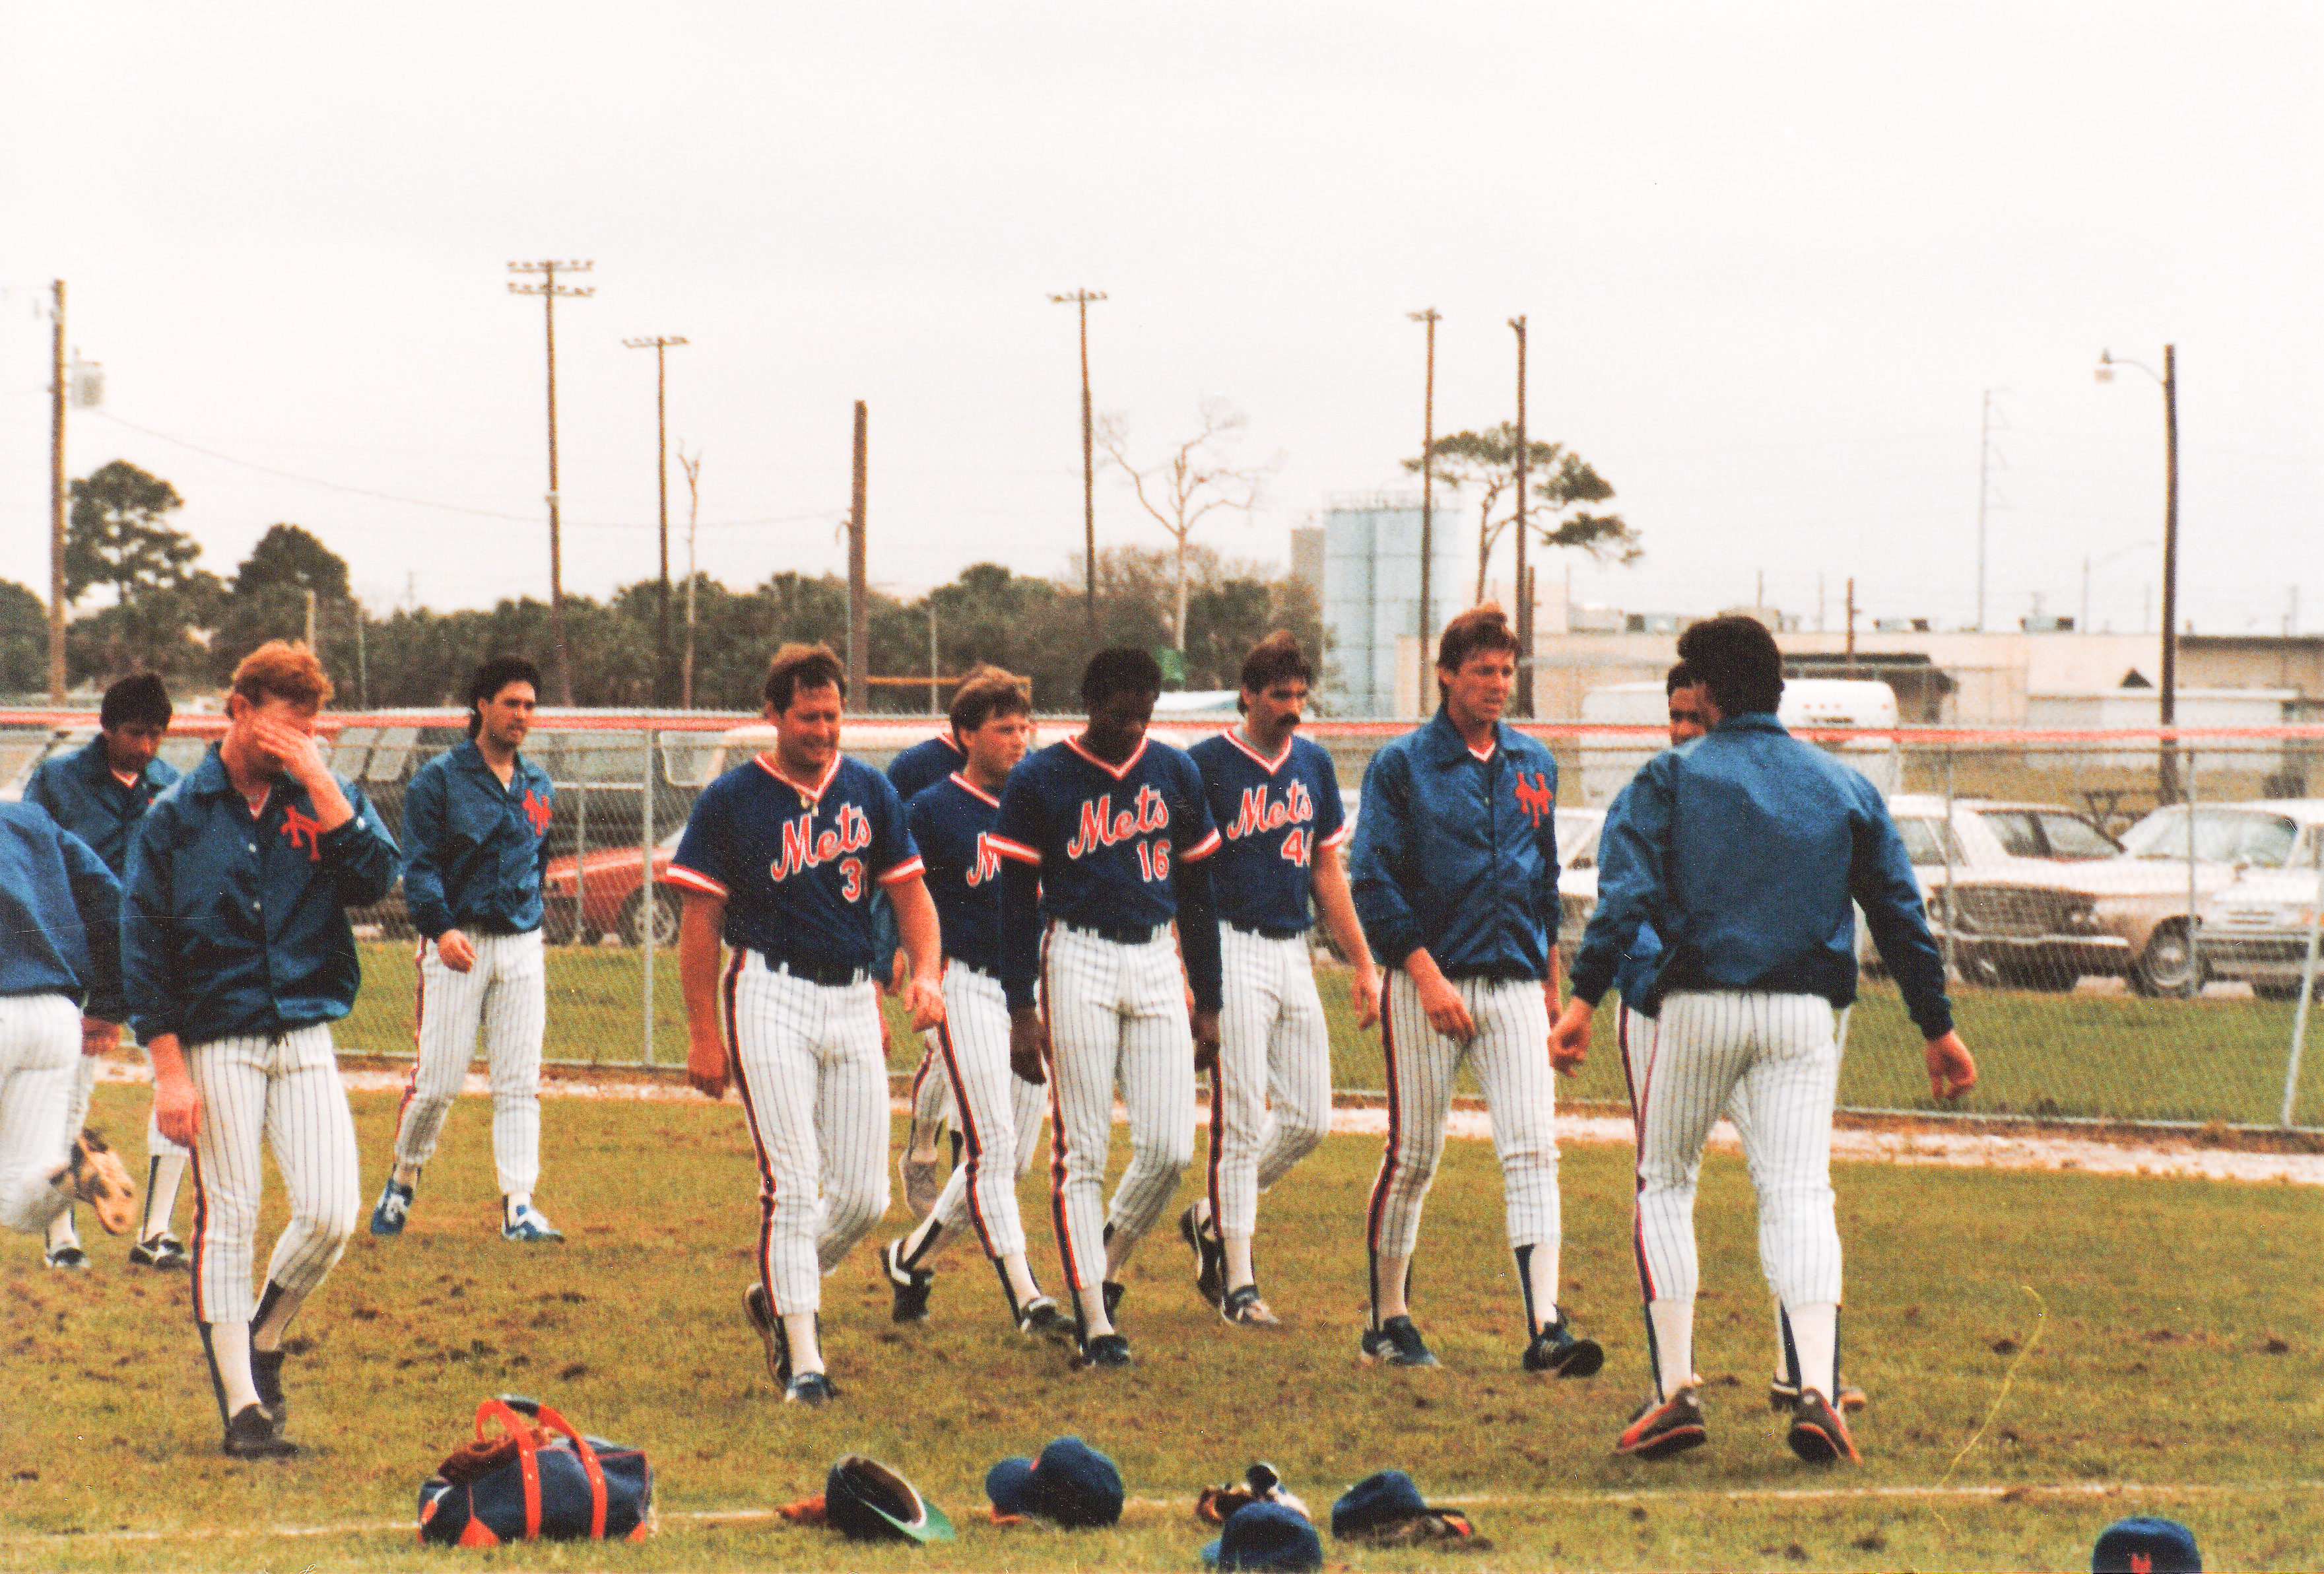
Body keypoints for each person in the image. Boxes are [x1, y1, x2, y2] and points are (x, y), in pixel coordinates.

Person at [1555, 615, 1976, 1466]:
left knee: (1664, 1180)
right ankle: (1817, 1387)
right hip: (1801, 1016)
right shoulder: (1843, 784)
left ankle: (1674, 1389)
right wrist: (1936, 1025)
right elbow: (1898, 911)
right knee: (1798, 1192)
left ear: (1703, 688)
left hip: (1699, 1005)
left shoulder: (1668, 775)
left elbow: (1624, 899)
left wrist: (1581, 999)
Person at [126, 640, 401, 1458]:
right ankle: (243, 1407)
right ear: (236, 708)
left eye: (306, 729)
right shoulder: (174, 816)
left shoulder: (319, 791)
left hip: (305, 1026)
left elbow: (377, 877)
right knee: (231, 1215)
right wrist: (169, 1071)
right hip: (217, 1034)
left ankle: (264, 1331)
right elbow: (146, 948)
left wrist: (319, 778)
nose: (292, 742)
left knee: (328, 1212)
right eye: (282, 726)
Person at [671, 642, 945, 1407]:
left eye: (833, 714)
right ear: (773, 714)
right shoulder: (731, 798)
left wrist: (924, 971)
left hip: (853, 995)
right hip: (770, 989)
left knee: (860, 1197)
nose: (824, 729)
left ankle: (777, 1289)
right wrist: (702, 1032)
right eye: (808, 716)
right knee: (792, 1187)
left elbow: (911, 895)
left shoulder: (868, 790)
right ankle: (804, 1357)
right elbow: (699, 921)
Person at [1347, 604, 1601, 1376]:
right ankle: (1388, 1316)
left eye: (1505, 670)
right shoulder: (1402, 765)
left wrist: (1554, 985)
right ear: (1446, 675)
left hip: (1517, 982)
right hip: (1431, 978)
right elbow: (1372, 877)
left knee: (1532, 1150)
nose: (1496, 683)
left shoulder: (1533, 762)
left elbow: (1543, 876)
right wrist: (1420, 974)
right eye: (1482, 669)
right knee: (1414, 1153)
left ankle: (1545, 1326)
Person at [1618, 664, 1867, 1414]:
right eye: (1675, 714)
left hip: (1714, 1002)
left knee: (1774, 1181)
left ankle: (1796, 1370)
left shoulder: (1725, 785)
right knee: (1765, 1185)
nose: (1686, 728)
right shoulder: (1663, 780)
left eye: (1698, 712)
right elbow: (1626, 906)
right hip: (1668, 1002)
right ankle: (1687, 1375)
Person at [992, 647, 1223, 1369]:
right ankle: (1095, 1321)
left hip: (1155, 955)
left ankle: (1100, 1260)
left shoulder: (1175, 769)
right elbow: (1010, 902)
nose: (1134, 726)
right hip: (1078, 953)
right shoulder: (1039, 778)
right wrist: (1019, 1006)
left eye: (1145, 712)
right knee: (1082, 1148)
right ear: (1090, 704)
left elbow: (1196, 893)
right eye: (1121, 712)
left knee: (1168, 1147)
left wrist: (1209, 1000)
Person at [1179, 633, 1380, 1326]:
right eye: (1279, 695)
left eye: (1300, 694)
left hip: (1291, 945)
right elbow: (1187, 877)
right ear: (1247, 693)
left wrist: (1360, 960)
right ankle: (1238, 1279)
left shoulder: (1314, 764)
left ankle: (1208, 1214)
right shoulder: (1205, 764)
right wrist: (1188, 966)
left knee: (1308, 1116)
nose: (1292, 707)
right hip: (1229, 945)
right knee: (1238, 1122)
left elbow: (1327, 869)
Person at [874, 669, 1073, 1341]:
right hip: (962, 982)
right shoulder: (933, 807)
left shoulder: (1039, 802)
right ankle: (1027, 1295)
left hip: (1026, 986)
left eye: (1025, 726)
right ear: (965, 734)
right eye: (1003, 727)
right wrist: (895, 967)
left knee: (1008, 1158)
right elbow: (895, 891)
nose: (1019, 739)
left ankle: (909, 1258)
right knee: (989, 1146)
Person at [371, 656, 561, 1244]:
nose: (522, 716)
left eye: (530, 705)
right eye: (511, 703)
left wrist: (533, 918)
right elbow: (419, 867)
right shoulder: (439, 781)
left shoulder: (538, 784)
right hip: (459, 943)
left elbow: (539, 858)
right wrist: (442, 926)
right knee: (439, 1081)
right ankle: (404, 1175)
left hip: (521, 943)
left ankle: (519, 1205)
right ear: (482, 705)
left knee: (518, 1081)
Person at [24, 671, 189, 1270]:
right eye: (133, 733)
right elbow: (35, 870)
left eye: (155, 735)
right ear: (106, 727)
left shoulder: (175, 788)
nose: (145, 747)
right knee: (66, 1094)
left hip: (155, 959)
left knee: (180, 1087)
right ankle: (60, 1235)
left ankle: (158, 1230)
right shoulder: (57, 782)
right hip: (77, 960)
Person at [0, 798, 137, 1249]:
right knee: (20, 1201)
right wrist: (109, 1003)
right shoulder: (29, 818)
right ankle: (73, 1176)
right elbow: (109, 897)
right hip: (55, 1019)